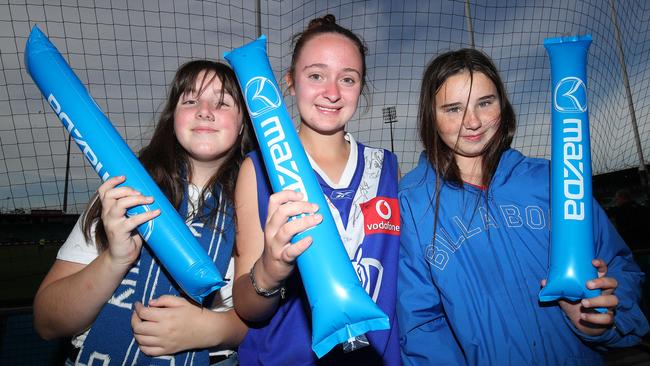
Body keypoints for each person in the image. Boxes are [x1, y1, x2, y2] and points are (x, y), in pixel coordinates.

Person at [397, 48, 649, 365]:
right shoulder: (410, 202)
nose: (472, 121)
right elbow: (419, 322)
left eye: (484, 103)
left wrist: (601, 320)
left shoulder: (553, 179)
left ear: (503, 104)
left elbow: (619, 265)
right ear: (431, 117)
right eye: (453, 109)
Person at [33, 60, 253, 365]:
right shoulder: (123, 192)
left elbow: (272, 320)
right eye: (190, 100)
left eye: (222, 102)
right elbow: (47, 322)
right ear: (173, 116)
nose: (205, 110)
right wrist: (115, 260)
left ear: (243, 123)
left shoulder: (257, 203)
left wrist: (214, 327)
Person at [233, 14, 400, 365]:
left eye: (348, 79)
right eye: (316, 75)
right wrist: (270, 268)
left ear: (361, 87)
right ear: (290, 83)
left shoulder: (387, 168)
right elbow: (247, 307)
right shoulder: (258, 169)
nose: (333, 93)